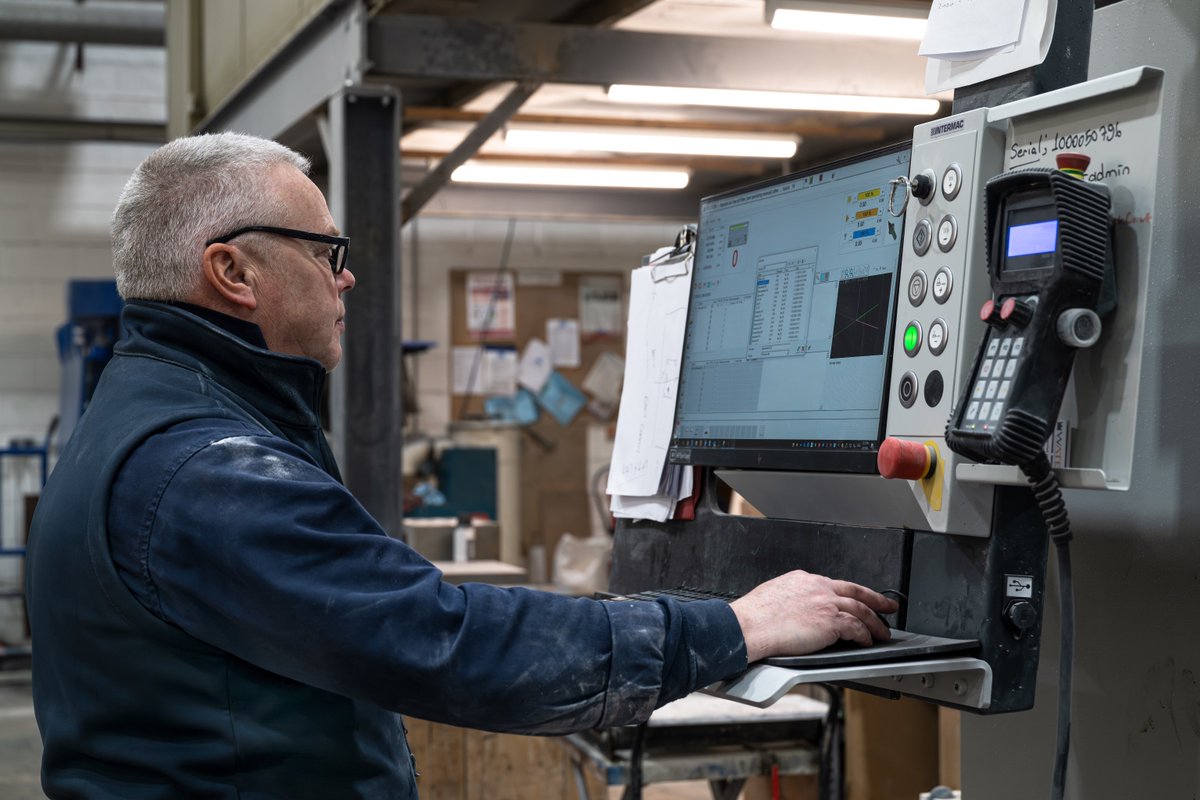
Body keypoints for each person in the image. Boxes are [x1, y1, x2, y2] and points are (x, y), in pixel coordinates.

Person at [25, 132, 897, 799]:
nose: (347, 280)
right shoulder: (205, 468)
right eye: (327, 254)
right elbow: (447, 643)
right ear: (232, 270)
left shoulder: (156, 415)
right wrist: (732, 628)